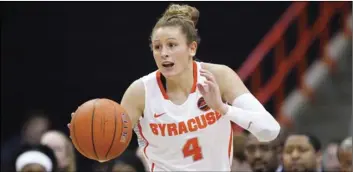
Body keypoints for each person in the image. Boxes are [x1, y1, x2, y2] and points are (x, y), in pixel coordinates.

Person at [70, 3, 280, 171]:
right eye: (157, 47)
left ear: (192, 47)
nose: (164, 53)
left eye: (171, 45)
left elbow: (270, 131)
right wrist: (88, 133)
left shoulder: (218, 76)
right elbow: (110, 147)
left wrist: (223, 108)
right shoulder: (140, 92)